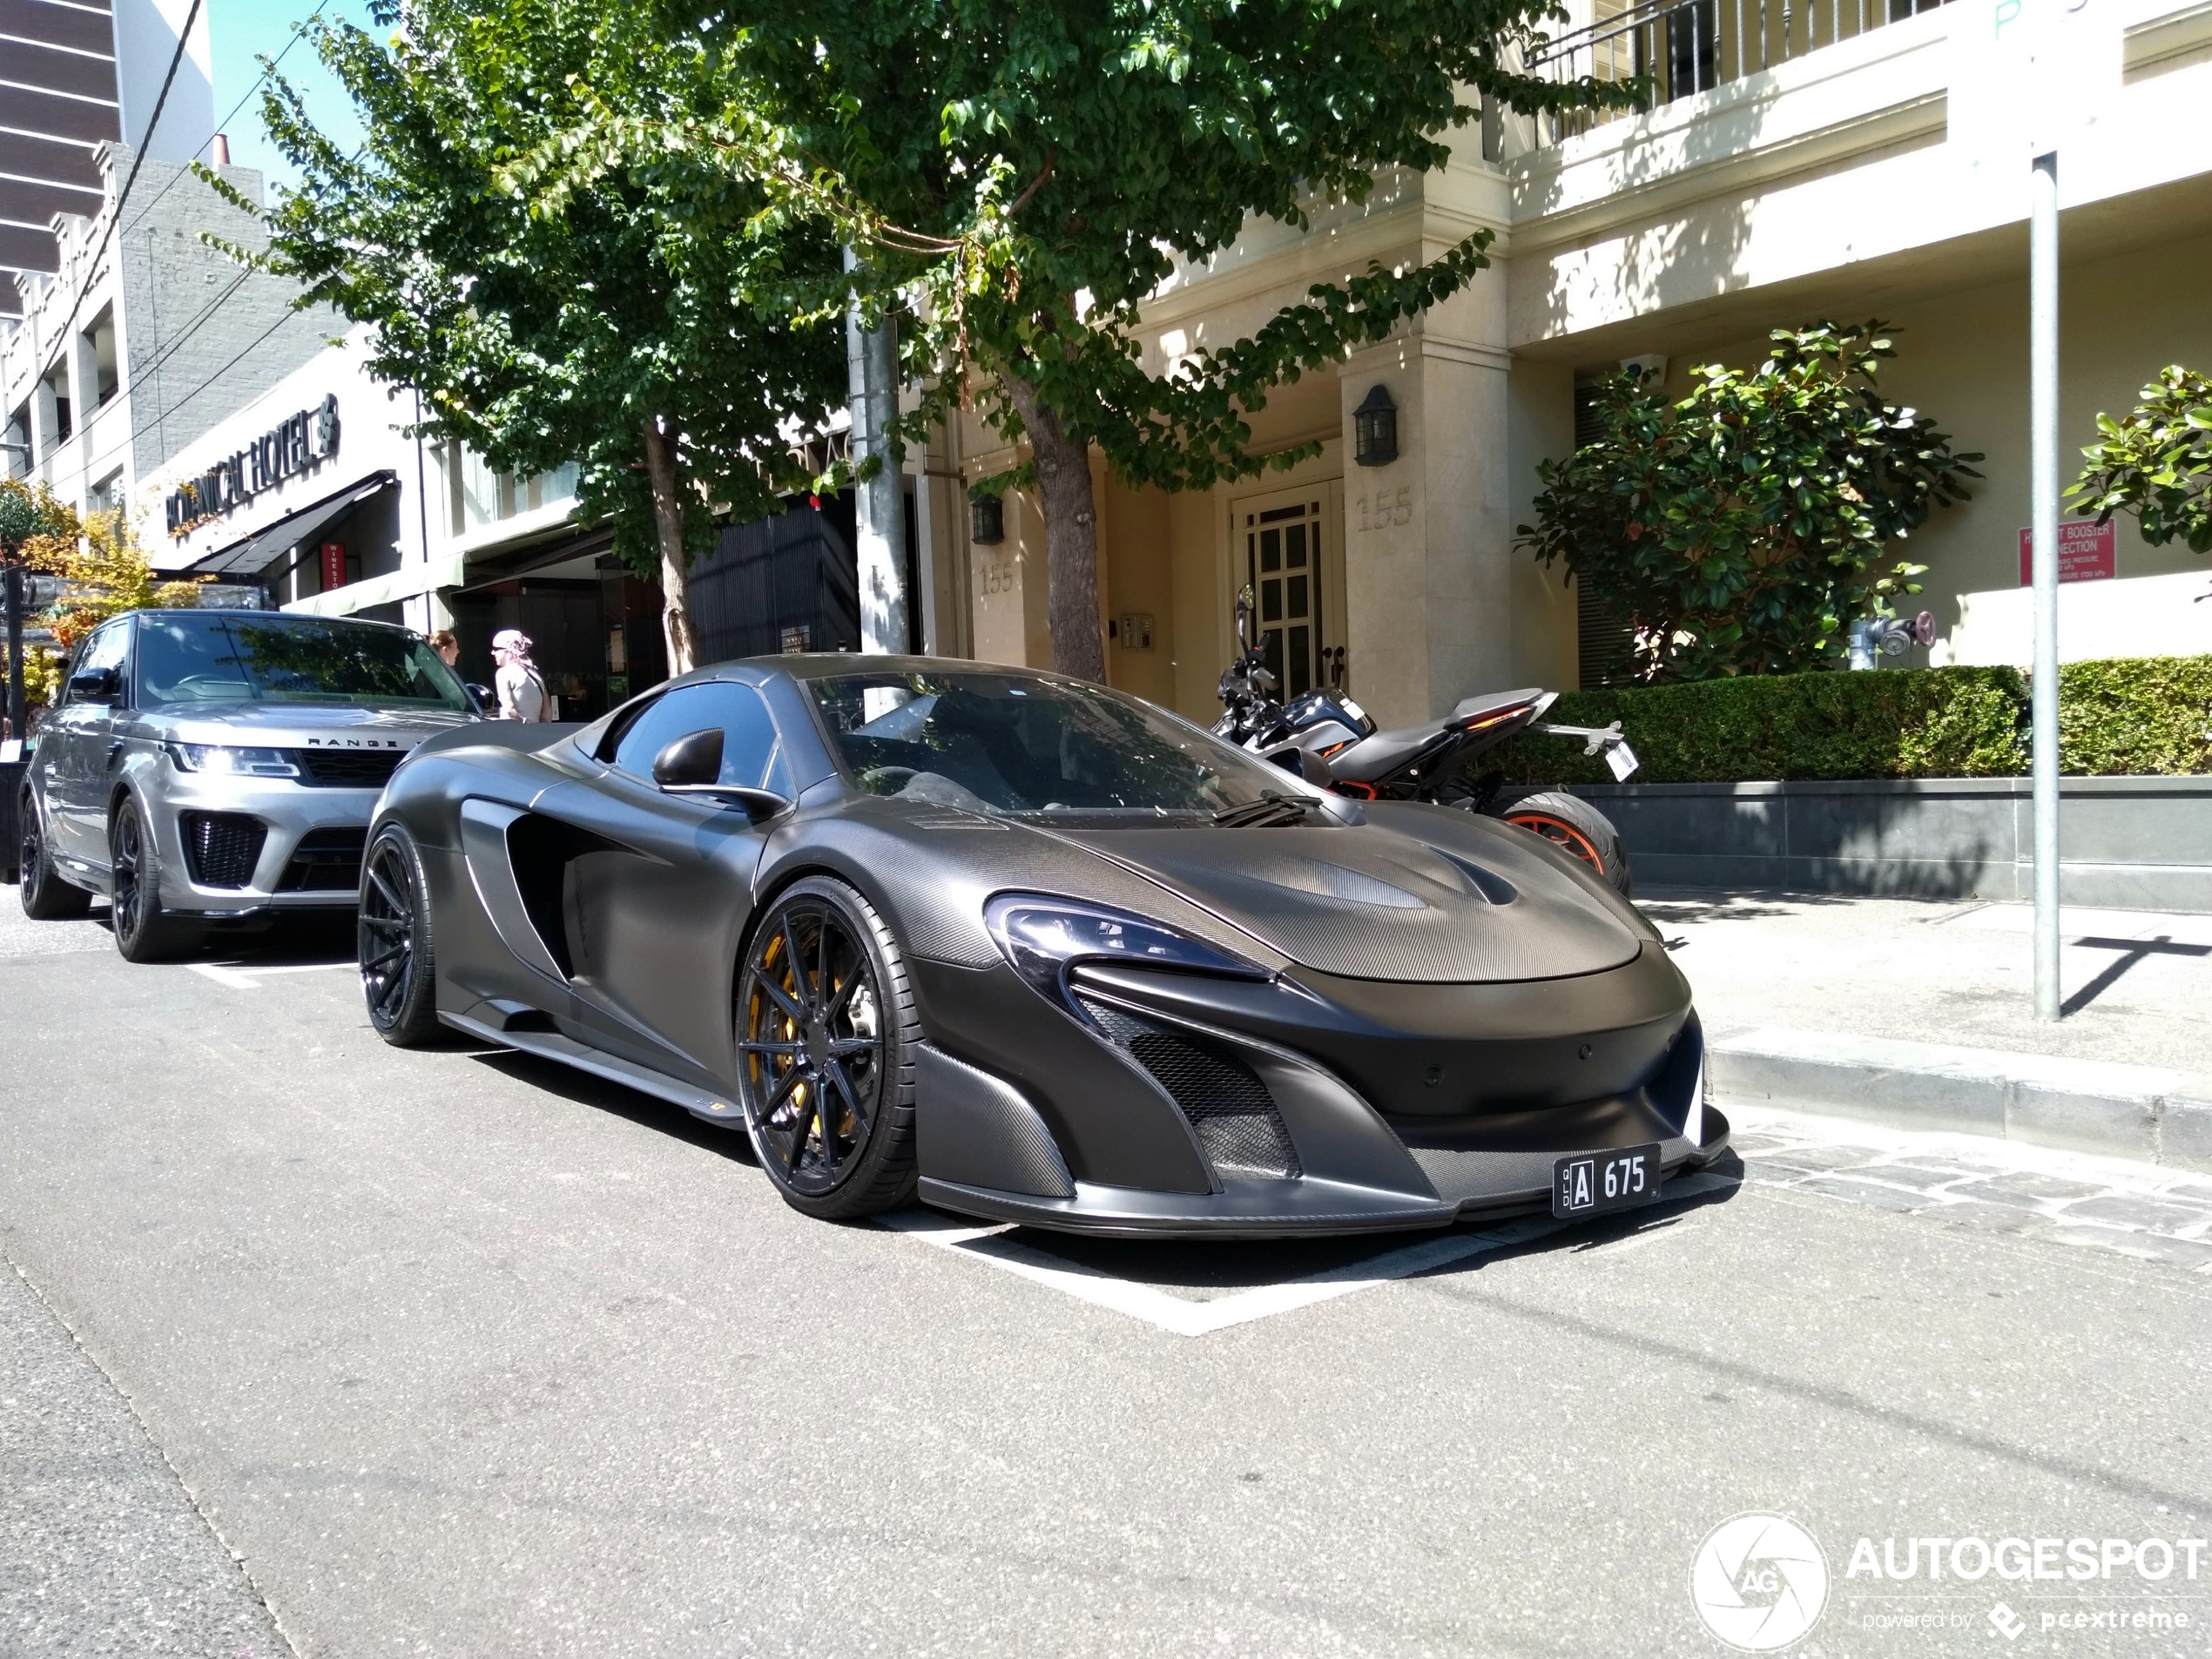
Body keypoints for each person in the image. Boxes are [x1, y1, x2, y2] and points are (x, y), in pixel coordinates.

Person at [491, 629, 550, 721]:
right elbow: (547, 711)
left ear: (508, 650)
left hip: (513, 732)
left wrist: (524, 725)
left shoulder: (504, 673)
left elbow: (509, 710)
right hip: (537, 732)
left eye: (496, 649)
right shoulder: (536, 675)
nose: (493, 653)